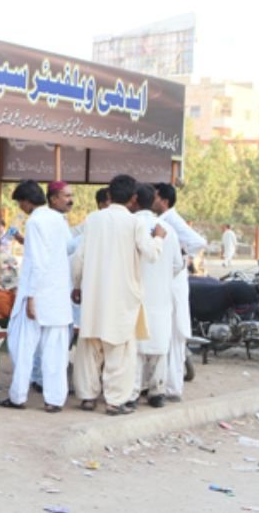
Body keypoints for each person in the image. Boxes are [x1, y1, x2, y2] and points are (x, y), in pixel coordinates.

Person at [72, 175, 166, 416]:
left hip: (94, 293)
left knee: (89, 346)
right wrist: (159, 238)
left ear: (109, 195)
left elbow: (78, 258)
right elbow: (151, 254)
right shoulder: (134, 223)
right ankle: (114, 401)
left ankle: (88, 397)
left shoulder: (93, 220)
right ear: (134, 198)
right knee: (120, 350)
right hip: (122, 295)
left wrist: (77, 285)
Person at [0, 181, 73, 413]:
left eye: (20, 203)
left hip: (38, 294)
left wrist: (31, 297)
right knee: (55, 352)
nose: (21, 207)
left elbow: (37, 263)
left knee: (23, 347)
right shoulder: (59, 220)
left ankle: (18, 396)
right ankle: (54, 400)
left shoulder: (35, 222)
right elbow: (68, 250)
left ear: (27, 201)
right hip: (58, 295)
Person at [152, 182, 207, 402]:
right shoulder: (160, 221)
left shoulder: (171, 220)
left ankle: (173, 387)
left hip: (174, 282)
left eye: (155, 196)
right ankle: (162, 383)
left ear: (164, 200)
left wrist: (183, 256)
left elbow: (198, 241)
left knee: (174, 336)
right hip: (167, 282)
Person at [131, 184, 185, 408]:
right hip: (161, 297)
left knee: (134, 348)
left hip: (135, 295)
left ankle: (132, 393)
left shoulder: (131, 226)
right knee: (159, 345)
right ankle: (157, 391)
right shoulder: (167, 230)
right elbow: (178, 265)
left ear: (134, 200)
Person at [30, 180, 76, 393]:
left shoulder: (58, 220)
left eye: (71, 195)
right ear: (53, 198)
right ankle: (42, 382)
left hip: (57, 292)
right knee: (48, 344)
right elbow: (63, 249)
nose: (71, 200)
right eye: (66, 196)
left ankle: (45, 384)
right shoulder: (44, 220)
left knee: (54, 344)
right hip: (46, 291)